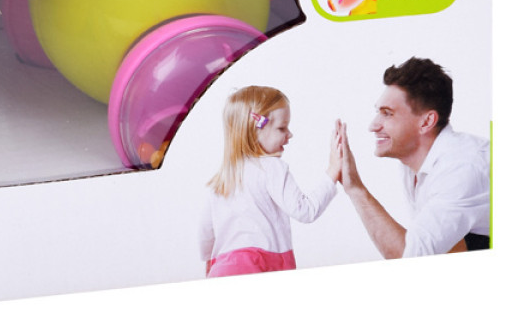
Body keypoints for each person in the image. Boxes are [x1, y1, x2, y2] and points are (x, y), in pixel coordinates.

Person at [336, 57, 490, 257]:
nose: (373, 125)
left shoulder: (461, 169)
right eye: (378, 112)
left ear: (426, 122)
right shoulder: (415, 161)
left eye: (387, 113)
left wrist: (355, 189)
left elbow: (412, 257)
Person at [200, 85, 341, 277]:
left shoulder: (222, 178)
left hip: (221, 269)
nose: (289, 134)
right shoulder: (272, 168)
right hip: (260, 267)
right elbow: (305, 211)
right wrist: (332, 172)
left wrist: (209, 262)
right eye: (282, 128)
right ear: (254, 130)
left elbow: (205, 232)